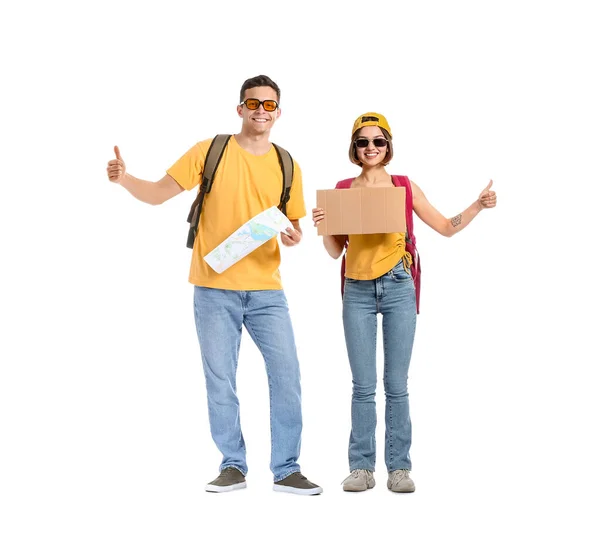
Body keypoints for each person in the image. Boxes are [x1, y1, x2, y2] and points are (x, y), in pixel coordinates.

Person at [106, 75, 322, 495]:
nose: (261, 110)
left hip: (267, 290)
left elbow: (292, 225)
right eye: (253, 102)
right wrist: (124, 179)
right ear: (239, 108)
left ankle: (286, 469)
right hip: (212, 287)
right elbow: (156, 194)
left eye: (269, 104)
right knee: (221, 378)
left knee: (287, 375)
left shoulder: (287, 163)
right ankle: (233, 466)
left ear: (278, 113)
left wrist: (294, 236)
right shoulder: (210, 151)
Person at [312, 112, 497, 493]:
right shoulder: (343, 189)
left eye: (378, 141)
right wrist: (324, 225)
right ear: (354, 148)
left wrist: (477, 206)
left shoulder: (404, 187)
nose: (371, 148)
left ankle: (399, 468)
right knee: (363, 385)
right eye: (363, 142)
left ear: (388, 146)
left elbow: (446, 227)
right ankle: (362, 468)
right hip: (357, 290)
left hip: (398, 285)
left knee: (396, 384)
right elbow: (334, 252)